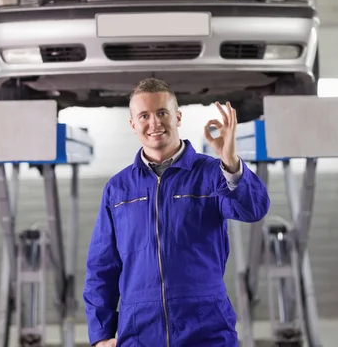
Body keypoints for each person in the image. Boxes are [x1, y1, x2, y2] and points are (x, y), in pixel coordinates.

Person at [82, 78, 270, 347]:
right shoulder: (118, 189)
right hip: (139, 333)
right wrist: (101, 336)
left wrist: (230, 163)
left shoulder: (210, 174)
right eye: (144, 115)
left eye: (162, 113)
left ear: (177, 117)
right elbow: (102, 267)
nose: (154, 123)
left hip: (207, 330)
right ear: (133, 124)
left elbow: (254, 209)